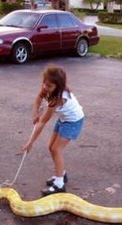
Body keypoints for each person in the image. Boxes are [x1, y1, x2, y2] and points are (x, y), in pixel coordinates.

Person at [22, 65, 84, 196]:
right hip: (64, 119)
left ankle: (59, 184)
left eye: (49, 85)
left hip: (73, 121)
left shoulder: (57, 99)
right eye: (44, 83)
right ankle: (61, 174)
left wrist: (30, 142)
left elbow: (43, 122)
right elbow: (38, 99)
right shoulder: (47, 87)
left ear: (58, 87)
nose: (44, 87)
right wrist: (35, 113)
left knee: (56, 149)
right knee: (51, 147)